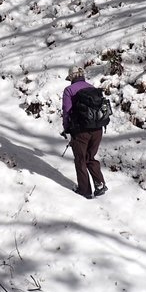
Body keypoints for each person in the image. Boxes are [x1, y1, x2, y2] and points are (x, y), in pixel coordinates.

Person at [61, 66, 108, 199]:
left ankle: (85, 190)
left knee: (80, 160)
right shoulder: (92, 87)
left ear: (71, 77)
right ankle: (99, 184)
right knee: (90, 157)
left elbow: (67, 111)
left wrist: (67, 128)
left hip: (81, 131)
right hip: (97, 129)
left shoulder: (69, 90)